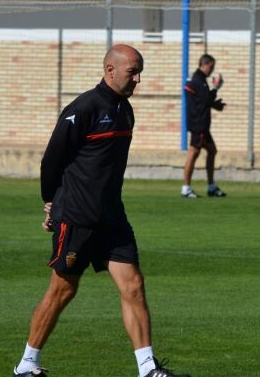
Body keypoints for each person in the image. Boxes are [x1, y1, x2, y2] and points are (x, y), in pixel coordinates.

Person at [12, 45, 190, 377]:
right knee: (63, 290)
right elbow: (52, 161)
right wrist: (50, 202)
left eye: (140, 73)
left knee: (133, 285)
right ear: (110, 69)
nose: (138, 79)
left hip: (112, 217)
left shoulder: (125, 110)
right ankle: (27, 364)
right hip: (78, 217)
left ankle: (147, 368)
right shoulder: (82, 109)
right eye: (132, 72)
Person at [181, 53, 227, 199]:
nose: (212, 70)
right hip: (198, 125)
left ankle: (211, 187)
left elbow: (202, 100)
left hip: (202, 125)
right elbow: (206, 99)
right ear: (205, 64)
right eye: (211, 67)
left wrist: (215, 104)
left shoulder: (199, 80)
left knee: (212, 151)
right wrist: (216, 87)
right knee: (193, 153)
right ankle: (186, 188)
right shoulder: (198, 79)